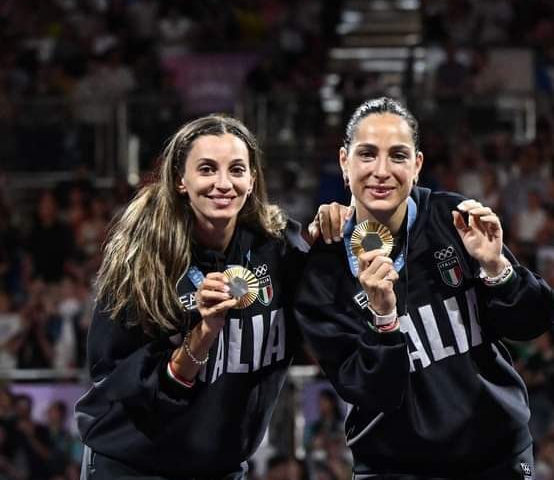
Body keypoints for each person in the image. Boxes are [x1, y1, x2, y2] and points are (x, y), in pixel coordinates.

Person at [295, 97, 554, 479]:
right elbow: (371, 391)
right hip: (391, 467)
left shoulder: (454, 219)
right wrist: (384, 321)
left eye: (397, 156)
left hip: (495, 457)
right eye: (367, 155)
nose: (381, 171)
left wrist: (497, 268)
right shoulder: (321, 272)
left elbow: (532, 323)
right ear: (343, 163)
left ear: (416, 166)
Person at [75, 114, 346, 480]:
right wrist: (203, 334)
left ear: (252, 180)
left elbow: (329, 316)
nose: (223, 183)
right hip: (134, 465)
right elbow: (115, 381)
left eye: (236, 169)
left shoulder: (277, 250)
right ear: (180, 180)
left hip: (222, 468)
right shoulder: (142, 263)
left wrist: (332, 234)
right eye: (207, 169)